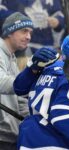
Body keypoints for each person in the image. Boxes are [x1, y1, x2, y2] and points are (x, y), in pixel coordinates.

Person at [0, 12, 33, 150]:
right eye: (24, 31)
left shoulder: (11, 57)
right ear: (9, 32)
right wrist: (29, 78)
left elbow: (19, 98)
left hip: (10, 137)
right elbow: (1, 82)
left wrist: (33, 119)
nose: (29, 37)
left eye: (30, 32)